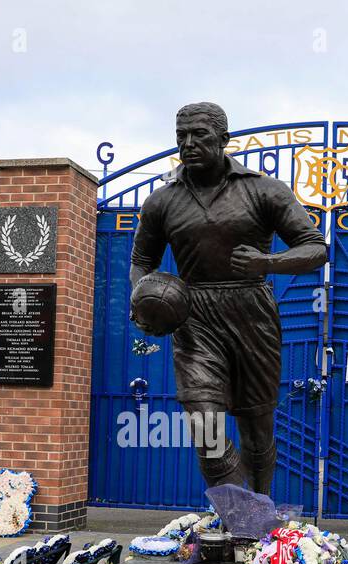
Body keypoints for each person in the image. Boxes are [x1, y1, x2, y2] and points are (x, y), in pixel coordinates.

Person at [129, 102, 327, 497]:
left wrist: (267, 262)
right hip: (195, 318)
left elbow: (315, 248)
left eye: (198, 134)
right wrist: (144, 300)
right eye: (180, 136)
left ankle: (260, 507)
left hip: (252, 313)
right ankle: (241, 516)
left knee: (256, 425)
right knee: (205, 425)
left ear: (223, 139)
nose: (188, 143)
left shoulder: (264, 190)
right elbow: (141, 263)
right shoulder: (161, 201)